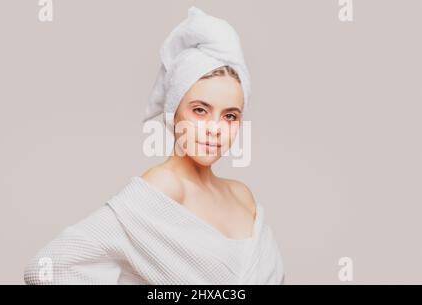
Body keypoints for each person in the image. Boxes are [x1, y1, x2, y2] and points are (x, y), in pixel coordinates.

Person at [24, 6, 285, 285]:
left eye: (230, 116)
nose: (215, 129)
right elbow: (46, 268)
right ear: (174, 115)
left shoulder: (242, 196)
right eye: (200, 110)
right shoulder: (161, 186)